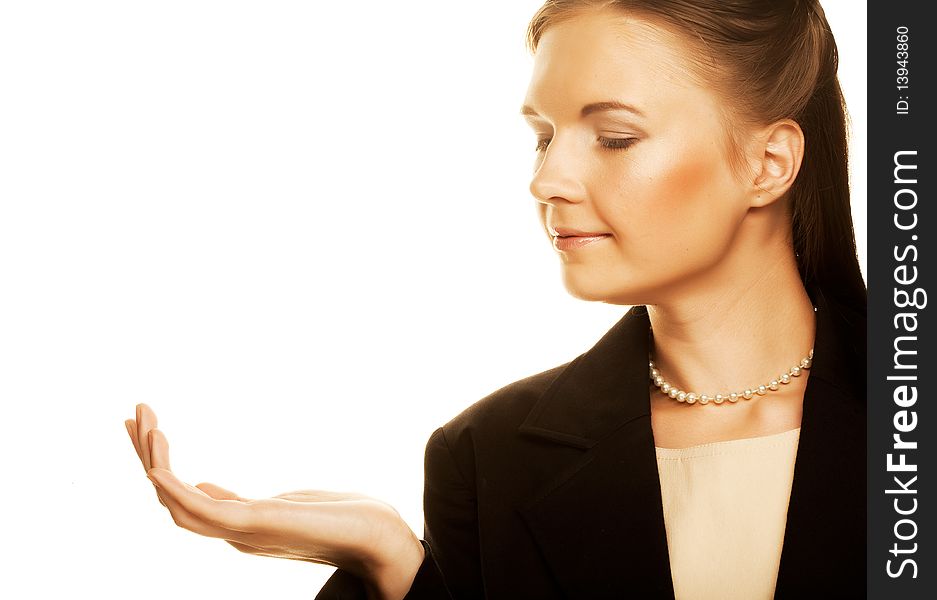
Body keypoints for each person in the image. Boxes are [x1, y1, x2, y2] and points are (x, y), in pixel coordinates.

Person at [127, 0, 866, 598]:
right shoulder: (486, 457)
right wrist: (395, 569)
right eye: (542, 136)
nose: (547, 179)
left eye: (612, 136)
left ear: (768, 163)